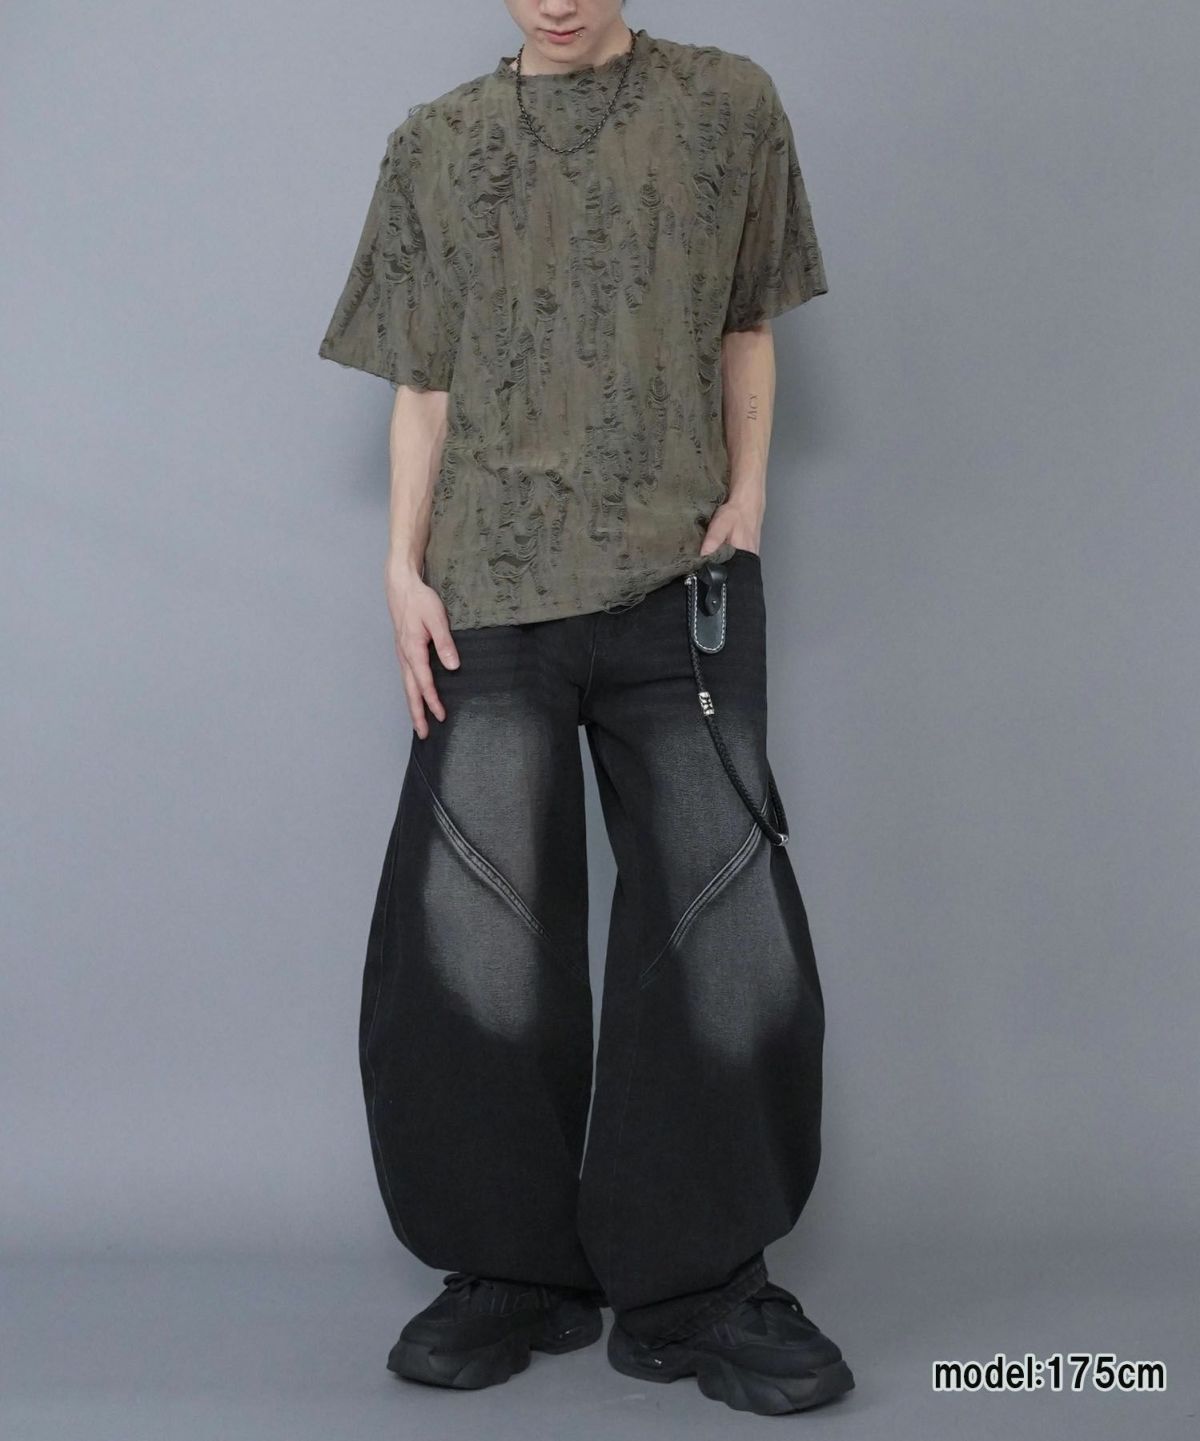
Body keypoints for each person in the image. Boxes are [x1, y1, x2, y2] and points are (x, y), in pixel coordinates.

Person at [317, 0, 854, 1416]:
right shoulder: (436, 144)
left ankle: (701, 1283)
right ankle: (511, 1269)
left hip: (683, 579)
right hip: (487, 588)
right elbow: (424, 386)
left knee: (720, 926)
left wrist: (747, 500)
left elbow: (746, 324)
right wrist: (399, 571)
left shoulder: (729, 104)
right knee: (479, 935)